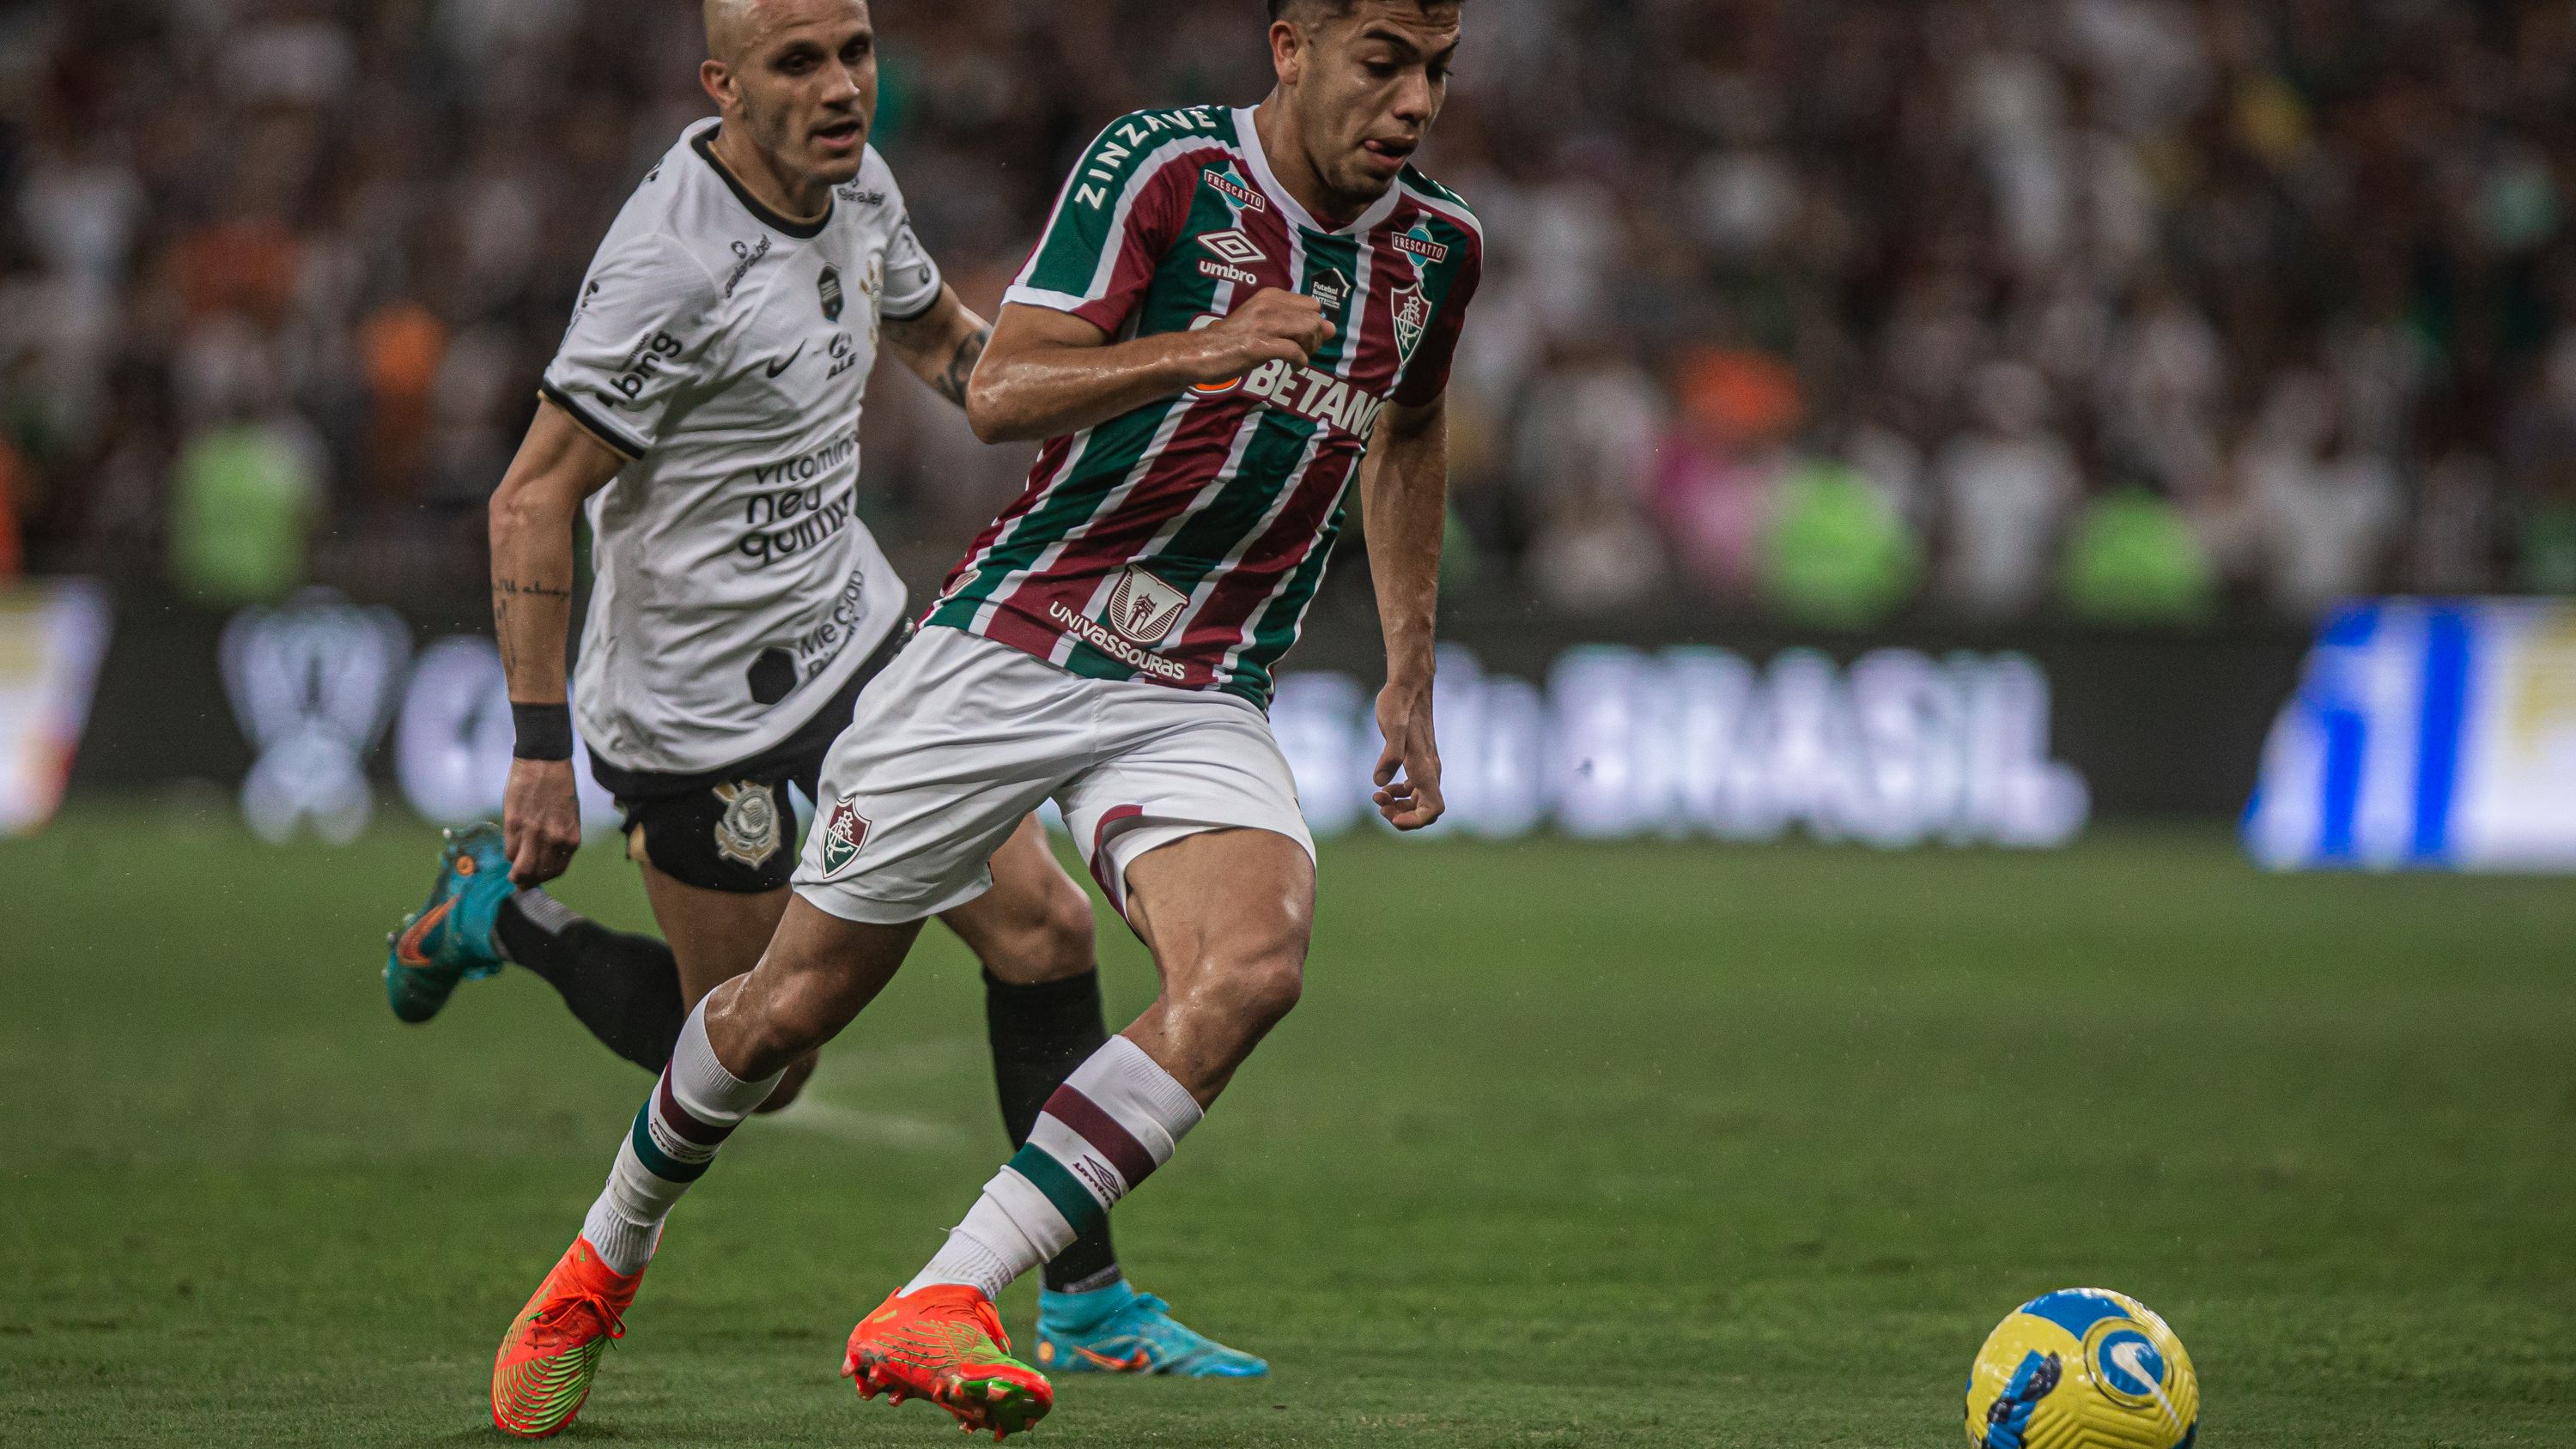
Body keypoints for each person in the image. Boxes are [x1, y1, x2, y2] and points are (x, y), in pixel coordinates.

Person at [489, 0, 1481, 1438]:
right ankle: (604, 1255)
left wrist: (1411, 664)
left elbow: (1410, 428)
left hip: (1196, 680)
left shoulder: (1438, 248)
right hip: (999, 652)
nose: (1412, 104)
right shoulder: (1163, 170)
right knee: (783, 1014)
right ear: (1293, 47)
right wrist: (1198, 351)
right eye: (1384, 61)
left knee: (1248, 964)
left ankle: (948, 1298)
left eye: (1438, 72)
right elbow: (1003, 387)